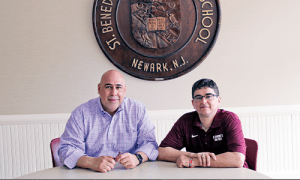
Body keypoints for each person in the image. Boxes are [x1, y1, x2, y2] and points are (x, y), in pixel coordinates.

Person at [58, 70, 158, 173]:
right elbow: (66, 149)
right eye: (108, 87)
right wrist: (91, 162)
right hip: (91, 175)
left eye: (118, 87)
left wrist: (137, 158)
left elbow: (150, 144)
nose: (113, 93)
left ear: (124, 90)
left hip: (131, 174)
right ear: (99, 89)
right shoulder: (81, 114)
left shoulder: (138, 110)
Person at [158, 78, 248, 168]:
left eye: (209, 96)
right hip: (198, 174)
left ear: (218, 100)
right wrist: (193, 156)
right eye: (198, 97)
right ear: (193, 103)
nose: (204, 101)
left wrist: (194, 162)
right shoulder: (185, 121)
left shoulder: (230, 119)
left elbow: (238, 159)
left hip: (232, 174)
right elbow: (161, 152)